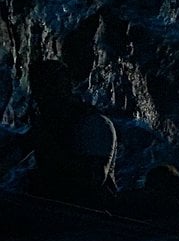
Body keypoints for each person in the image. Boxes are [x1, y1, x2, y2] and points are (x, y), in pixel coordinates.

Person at [25, 59, 118, 207]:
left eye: (48, 89)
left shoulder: (94, 124)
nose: (40, 98)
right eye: (37, 90)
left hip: (90, 214)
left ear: (66, 88)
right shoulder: (47, 125)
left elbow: (93, 180)